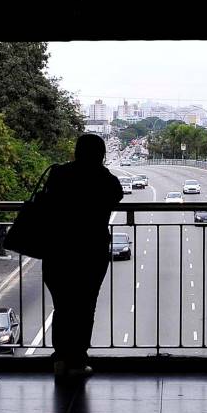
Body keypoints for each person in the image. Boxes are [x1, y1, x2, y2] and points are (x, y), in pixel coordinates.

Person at [41, 134, 122, 378]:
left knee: (62, 307)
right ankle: (77, 359)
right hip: (90, 251)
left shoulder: (58, 174)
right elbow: (115, 196)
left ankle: (60, 358)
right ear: (101, 155)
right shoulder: (105, 179)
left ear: (76, 151)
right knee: (85, 307)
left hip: (58, 251)